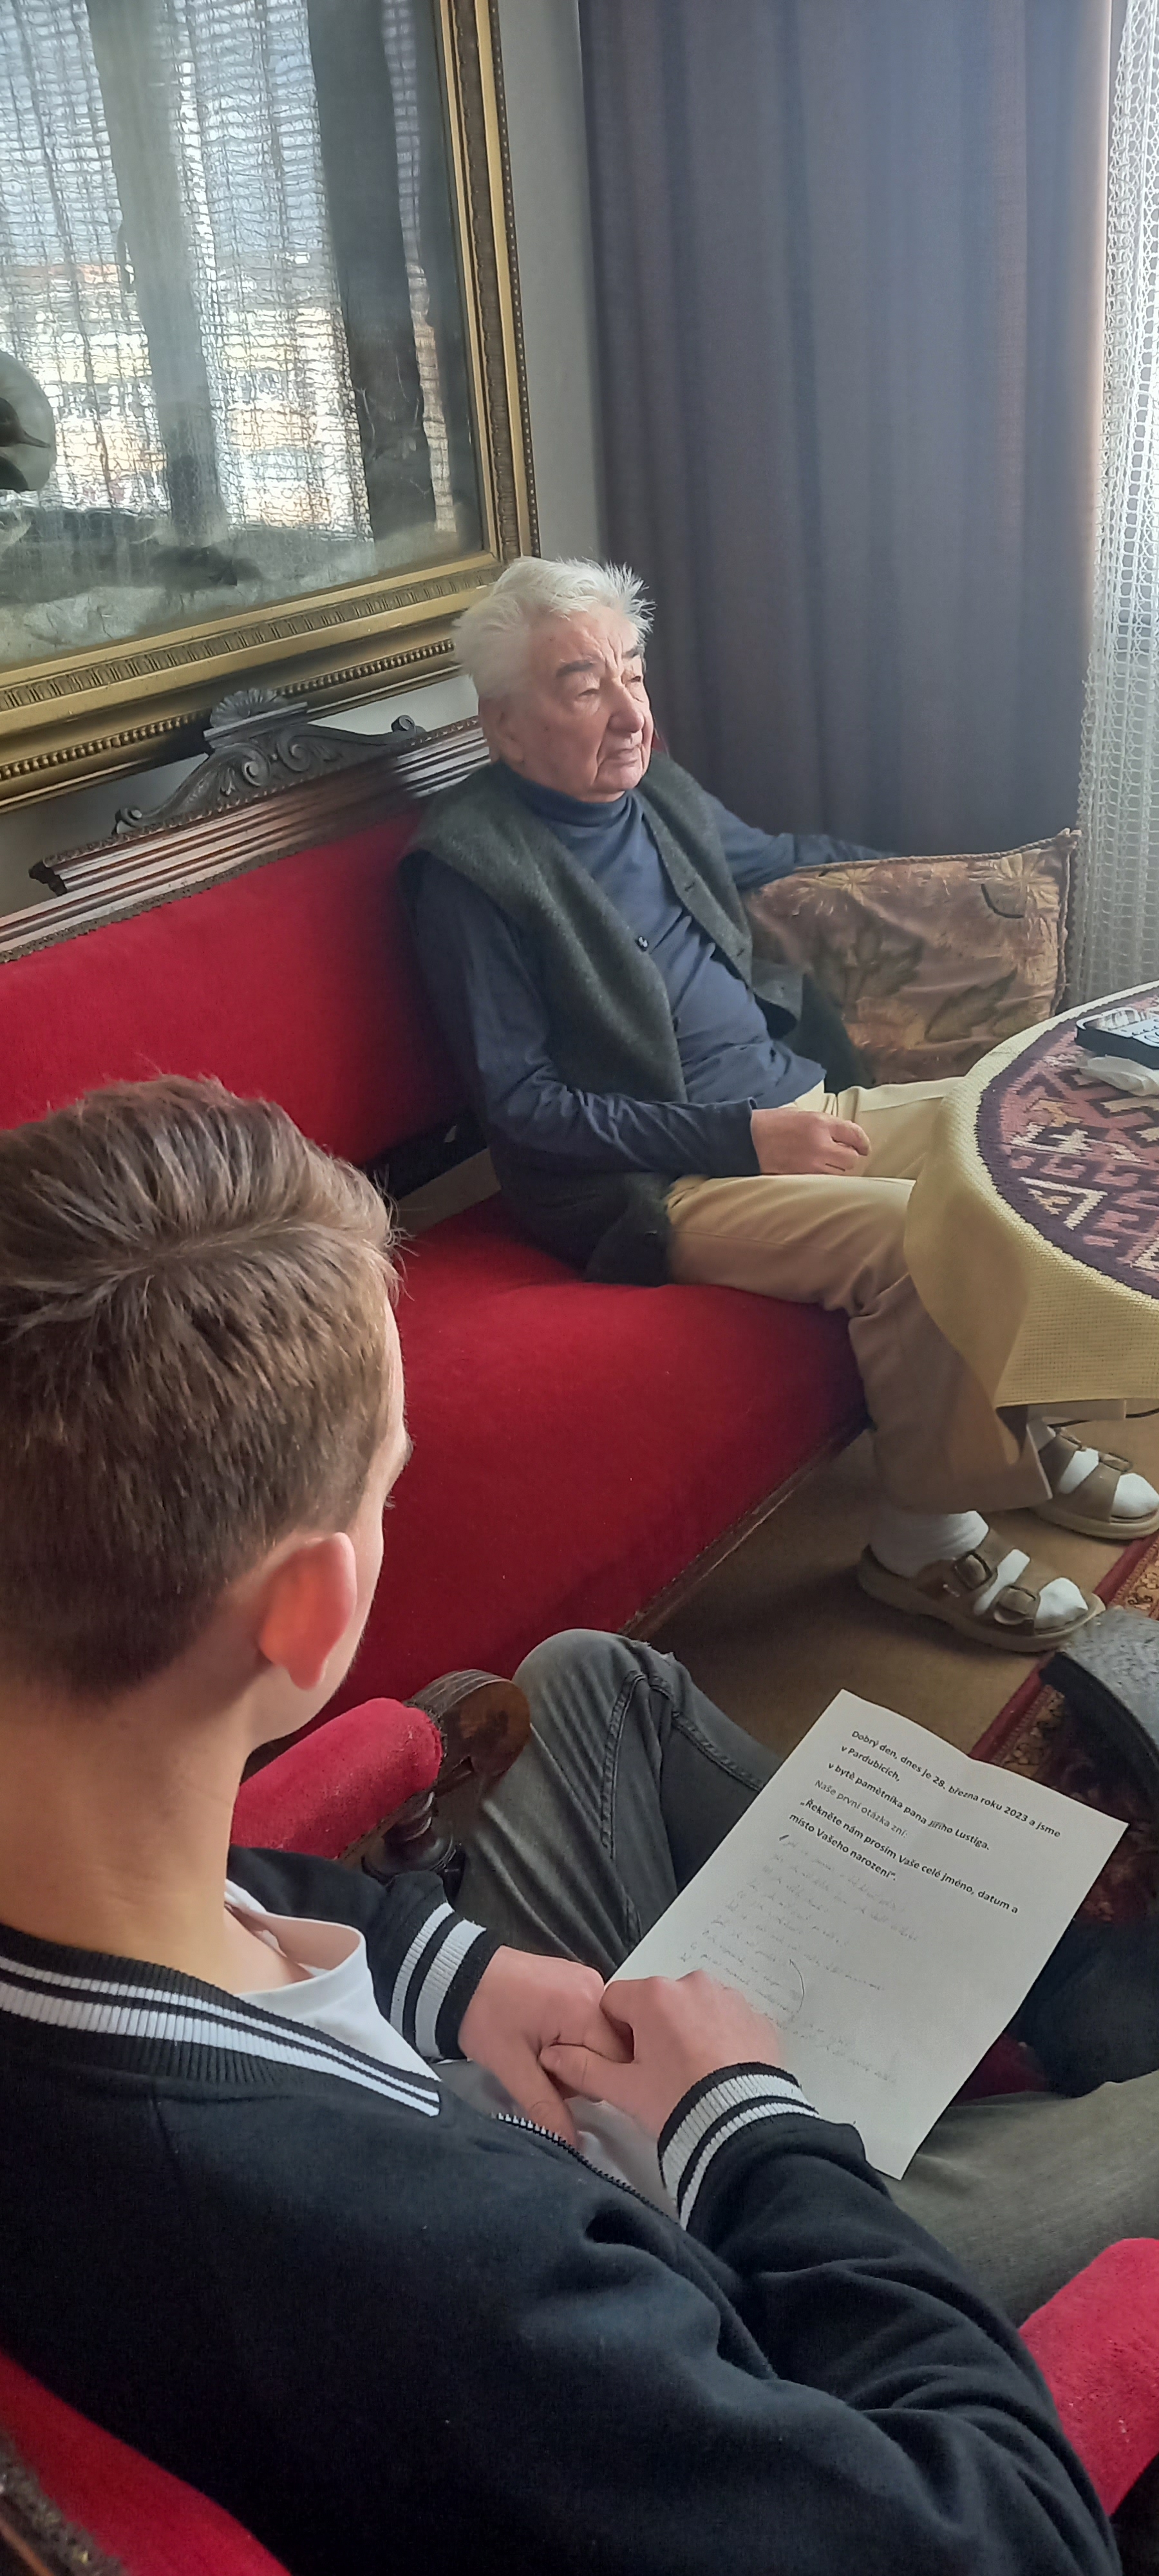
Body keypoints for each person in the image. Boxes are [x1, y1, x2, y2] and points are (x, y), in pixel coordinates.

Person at [0, 1077, 1153, 2576]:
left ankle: (1065, 1991)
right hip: (724, 2308)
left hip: (470, 2140)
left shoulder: (71, 1867)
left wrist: (449, 1969)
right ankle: (1078, 2023)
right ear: (313, 1607)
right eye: (389, 1483)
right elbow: (1011, 2540)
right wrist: (750, 2128)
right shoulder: (447, 2278)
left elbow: (215, 1890)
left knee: (590, 1682)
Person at [406, 555, 1159, 1656]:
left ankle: (1028, 1438)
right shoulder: (469, 874)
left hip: (800, 1098)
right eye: (584, 686)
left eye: (633, 672)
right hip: (664, 1183)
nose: (630, 713)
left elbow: (785, 861)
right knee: (919, 1233)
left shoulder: (654, 791)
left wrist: (953, 891)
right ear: (505, 726)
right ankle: (923, 1541)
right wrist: (742, 1137)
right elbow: (523, 1108)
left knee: (1023, 1130)